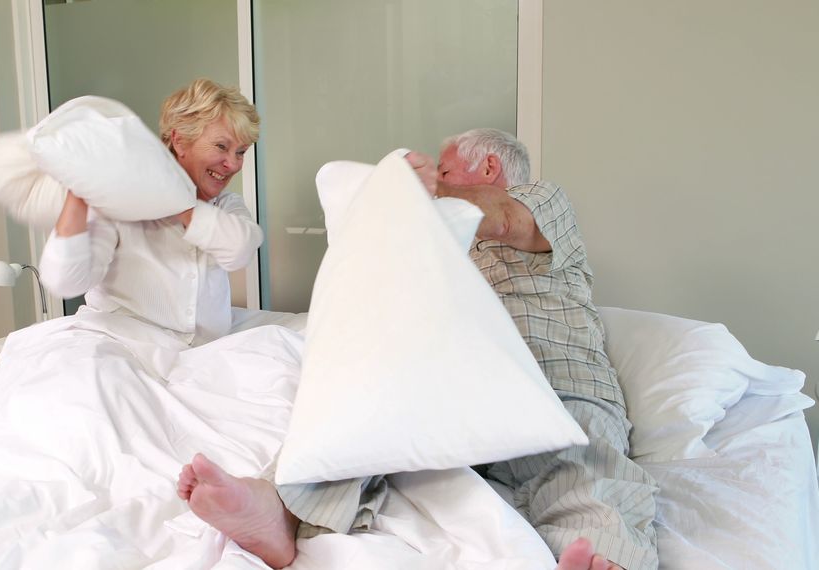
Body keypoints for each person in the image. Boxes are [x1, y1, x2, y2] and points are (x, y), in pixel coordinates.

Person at [177, 129, 657, 570]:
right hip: (449, 393)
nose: (437, 184)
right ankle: (278, 511)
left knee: (586, 468)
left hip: (557, 389)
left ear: (489, 169)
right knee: (349, 419)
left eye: (444, 172)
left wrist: (418, 191)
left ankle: (595, 553)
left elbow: (507, 218)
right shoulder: (431, 245)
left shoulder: (542, 203)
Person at [40, 78, 263, 345]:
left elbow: (240, 251)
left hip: (200, 352)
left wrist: (175, 200)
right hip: (122, 345)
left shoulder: (227, 205)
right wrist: (79, 191)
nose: (232, 164)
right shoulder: (119, 205)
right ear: (180, 142)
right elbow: (66, 282)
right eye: (221, 146)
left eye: (241, 152)